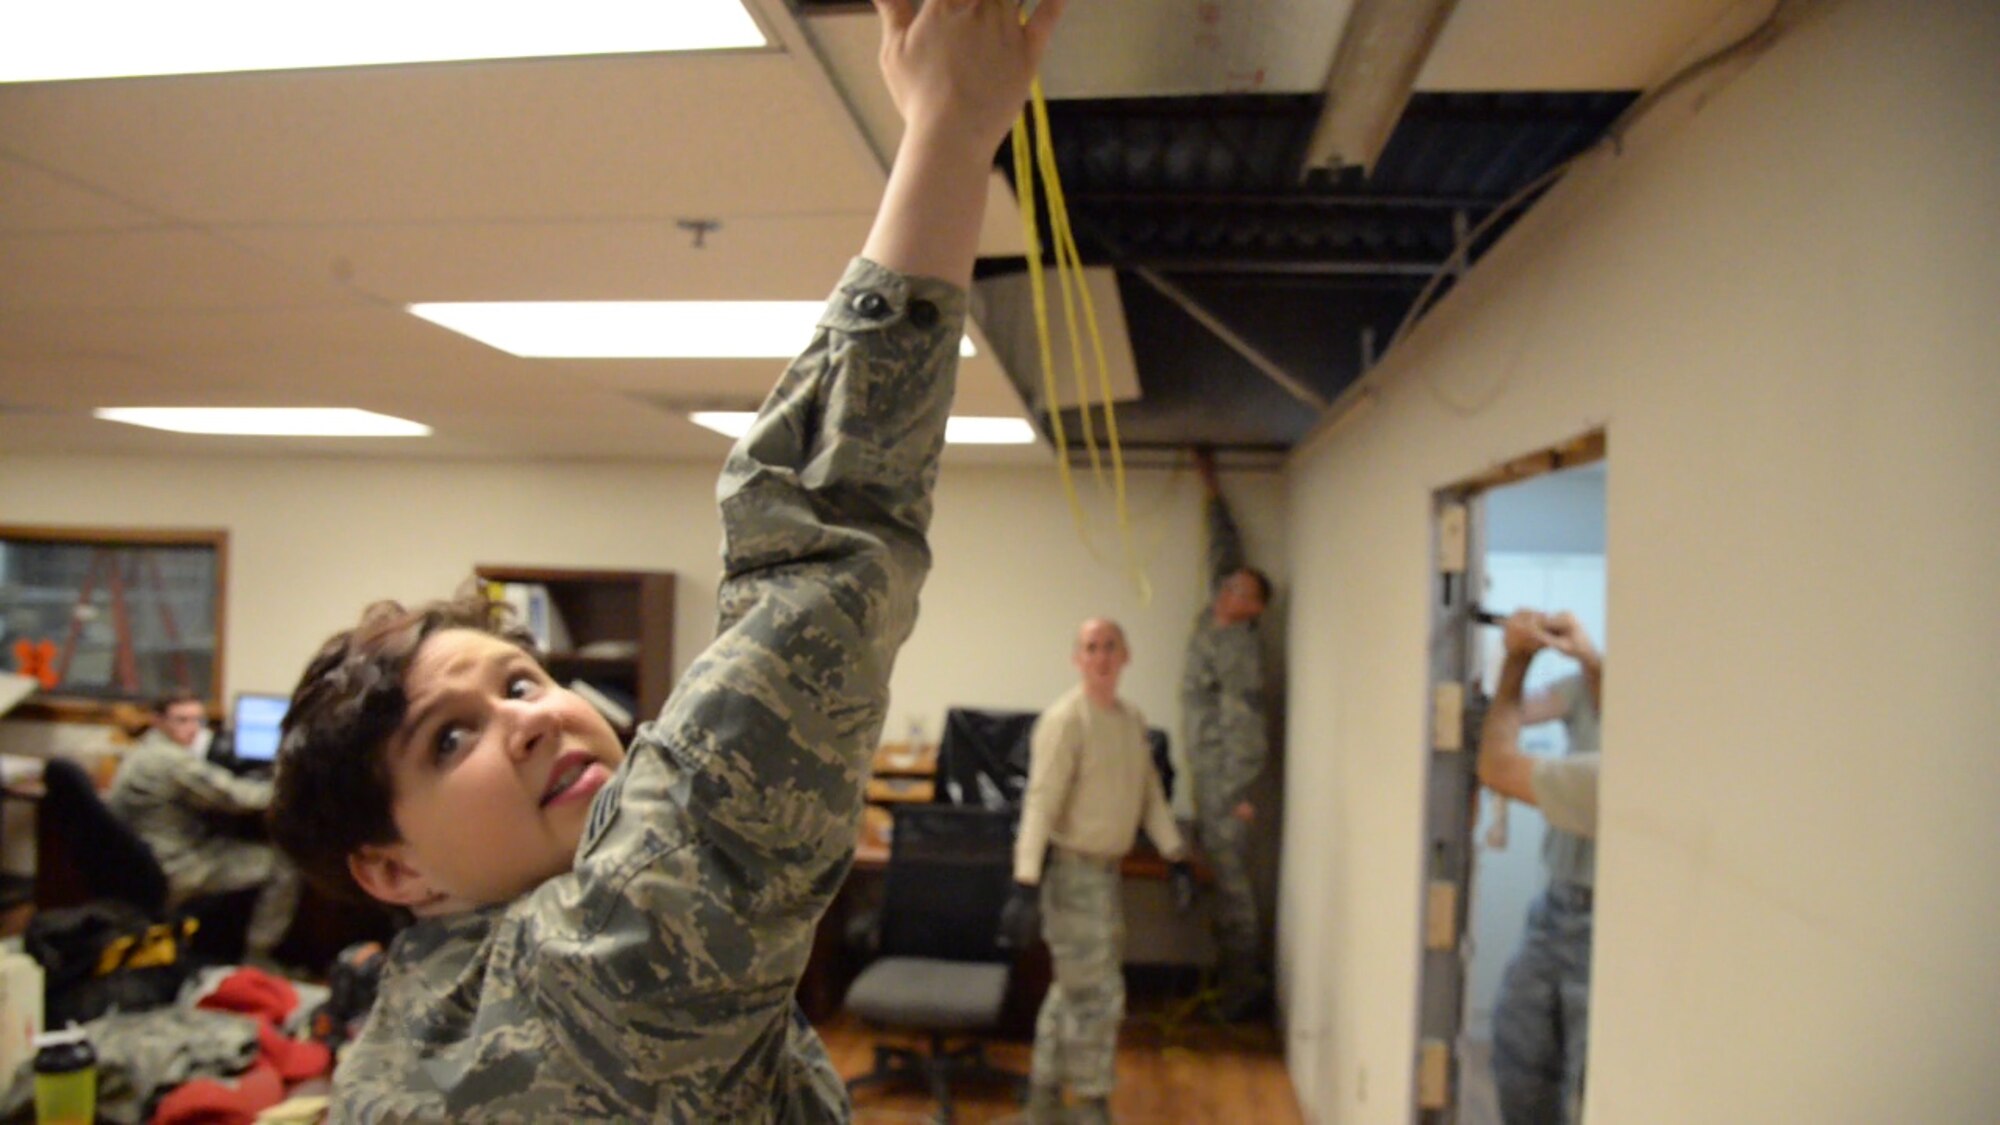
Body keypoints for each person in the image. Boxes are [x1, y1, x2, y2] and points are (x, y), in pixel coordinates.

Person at [263, 1, 1067, 1119]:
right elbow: (816, 573)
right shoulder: (593, 980)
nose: (531, 717)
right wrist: (947, 129)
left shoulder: (425, 1002)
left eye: (521, 682)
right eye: (451, 740)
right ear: (395, 872)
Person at [1001, 618, 1194, 1125]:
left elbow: (1150, 795)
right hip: (1070, 875)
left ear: (1125, 656)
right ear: (1077, 659)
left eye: (1110, 646)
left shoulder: (1130, 720)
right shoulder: (1067, 720)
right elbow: (1040, 803)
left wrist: (1176, 856)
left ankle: (1042, 1104)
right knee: (1099, 996)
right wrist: (1024, 882)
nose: (1101, 656)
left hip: (1106, 877)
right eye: (1091, 648)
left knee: (1073, 991)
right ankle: (1089, 1104)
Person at [1480, 608, 1604, 1125]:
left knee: (1585, 1087)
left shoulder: (1621, 770)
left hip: (1609, 923)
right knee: (1520, 1056)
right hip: (1557, 908)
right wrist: (1584, 658)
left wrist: (1517, 661)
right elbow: (1510, 717)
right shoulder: (1586, 686)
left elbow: (1498, 764)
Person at [1178, 446, 1272, 1019]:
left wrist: (1238, 796)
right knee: (1220, 882)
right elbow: (1224, 550)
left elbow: (1249, 729)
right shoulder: (1217, 611)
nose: (1227, 591)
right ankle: (1230, 981)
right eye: (1228, 585)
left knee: (1233, 888)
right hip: (1206, 776)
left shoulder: (1242, 651)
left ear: (1254, 607)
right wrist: (1210, 488)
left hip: (1225, 787)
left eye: (1239, 591)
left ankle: (1243, 992)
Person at [104, 692, 300, 962]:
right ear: (158, 721)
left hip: (143, 863)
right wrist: (293, 792)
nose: (192, 729)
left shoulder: (143, 750)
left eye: (198, 720)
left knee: (233, 842)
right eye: (182, 720)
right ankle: (257, 959)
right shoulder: (171, 761)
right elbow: (236, 797)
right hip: (176, 867)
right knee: (283, 865)